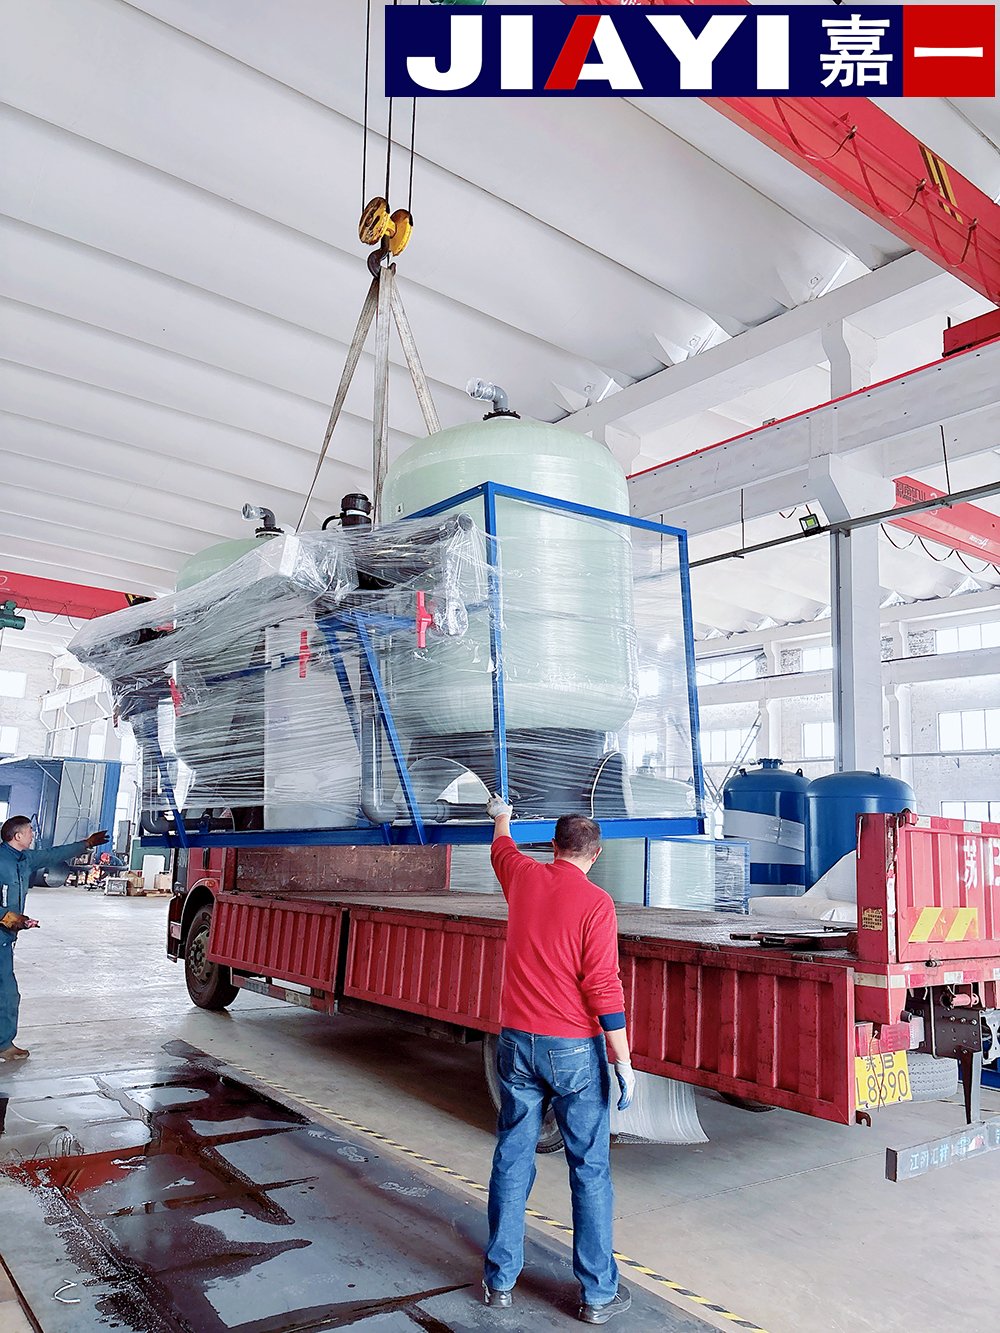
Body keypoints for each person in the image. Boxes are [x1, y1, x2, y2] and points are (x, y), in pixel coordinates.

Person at [482, 797, 636, 1326]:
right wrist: (623, 1060)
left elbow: (501, 847)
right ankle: (596, 1295)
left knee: (512, 1157)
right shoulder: (597, 904)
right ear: (596, 854)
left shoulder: (523, 877)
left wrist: (501, 814)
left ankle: (500, 1281)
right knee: (589, 1167)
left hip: (515, 1044)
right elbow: (603, 985)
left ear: (553, 847)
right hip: (571, 1049)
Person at [0, 816, 108, 1062]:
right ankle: (3, 1044)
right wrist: (9, 918)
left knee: (7, 994)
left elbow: (53, 854)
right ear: (17, 836)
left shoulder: (25, 859)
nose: (32, 835)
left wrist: (86, 844)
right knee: (6, 993)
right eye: (29, 831)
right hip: (2, 934)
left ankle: (4, 1043)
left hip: (5, 939)